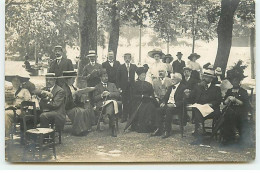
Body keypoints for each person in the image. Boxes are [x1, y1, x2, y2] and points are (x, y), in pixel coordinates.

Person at [187, 67, 222, 145]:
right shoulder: (198, 86)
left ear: (211, 79)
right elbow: (191, 99)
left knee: (198, 112)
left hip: (212, 110)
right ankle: (200, 135)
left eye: (207, 77)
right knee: (197, 111)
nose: (204, 78)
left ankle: (199, 134)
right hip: (200, 109)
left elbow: (218, 100)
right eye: (204, 76)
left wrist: (211, 104)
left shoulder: (216, 88)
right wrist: (188, 94)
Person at [221, 60, 250, 145]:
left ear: (239, 81)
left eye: (237, 81)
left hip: (240, 110)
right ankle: (232, 135)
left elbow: (245, 103)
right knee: (227, 114)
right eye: (233, 81)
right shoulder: (229, 90)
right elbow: (224, 103)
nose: (235, 82)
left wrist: (235, 100)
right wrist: (228, 99)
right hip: (229, 109)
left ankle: (235, 133)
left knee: (232, 114)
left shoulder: (243, 91)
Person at [151, 73, 187, 138]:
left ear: (179, 79)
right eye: (172, 78)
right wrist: (163, 102)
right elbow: (165, 97)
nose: (172, 79)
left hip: (177, 107)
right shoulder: (170, 87)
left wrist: (174, 104)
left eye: (174, 78)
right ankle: (159, 128)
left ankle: (167, 131)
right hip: (168, 105)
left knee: (168, 110)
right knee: (158, 110)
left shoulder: (183, 87)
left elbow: (183, 101)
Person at [61, 71, 96, 136]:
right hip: (67, 108)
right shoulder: (64, 88)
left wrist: (79, 94)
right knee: (79, 111)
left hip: (73, 105)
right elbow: (65, 102)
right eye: (72, 79)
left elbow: (79, 92)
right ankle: (79, 131)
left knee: (87, 108)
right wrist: (73, 95)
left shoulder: (72, 87)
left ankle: (86, 128)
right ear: (68, 80)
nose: (74, 80)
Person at [130, 66, 158, 133]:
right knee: (145, 107)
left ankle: (151, 126)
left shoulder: (148, 84)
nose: (144, 76)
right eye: (143, 75)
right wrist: (142, 96)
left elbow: (152, 93)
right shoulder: (134, 84)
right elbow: (133, 95)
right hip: (138, 101)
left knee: (151, 106)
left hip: (148, 100)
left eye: (145, 75)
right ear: (139, 75)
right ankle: (142, 127)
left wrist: (151, 97)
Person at [93, 69, 121, 137]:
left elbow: (117, 94)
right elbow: (94, 98)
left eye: (107, 76)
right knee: (111, 105)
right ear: (100, 78)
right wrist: (101, 95)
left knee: (111, 103)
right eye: (104, 76)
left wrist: (109, 93)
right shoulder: (97, 86)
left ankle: (107, 116)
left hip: (113, 103)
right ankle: (113, 126)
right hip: (102, 105)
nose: (106, 78)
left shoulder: (112, 85)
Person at [116, 53, 137, 123]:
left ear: (130, 59)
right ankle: (124, 116)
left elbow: (137, 75)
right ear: (124, 59)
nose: (127, 59)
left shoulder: (134, 66)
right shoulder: (120, 67)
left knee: (131, 101)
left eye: (129, 58)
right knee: (124, 102)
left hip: (132, 87)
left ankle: (131, 116)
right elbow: (118, 78)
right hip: (124, 87)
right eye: (126, 58)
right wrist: (118, 87)